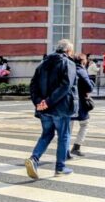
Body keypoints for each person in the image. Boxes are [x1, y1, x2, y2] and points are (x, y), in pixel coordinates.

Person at [25, 39, 77, 179]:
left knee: (47, 134)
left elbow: (33, 85)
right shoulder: (68, 63)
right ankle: (60, 167)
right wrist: (48, 102)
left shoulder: (43, 63)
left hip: (43, 108)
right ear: (68, 51)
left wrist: (39, 102)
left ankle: (34, 158)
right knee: (64, 135)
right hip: (60, 107)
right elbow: (65, 86)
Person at [70, 53, 95, 157]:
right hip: (81, 103)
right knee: (84, 124)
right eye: (85, 60)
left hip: (69, 102)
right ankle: (77, 147)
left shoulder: (69, 69)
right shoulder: (81, 70)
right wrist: (92, 83)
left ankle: (65, 149)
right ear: (82, 61)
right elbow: (89, 87)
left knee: (68, 126)